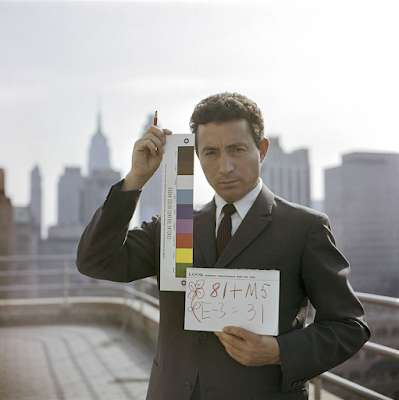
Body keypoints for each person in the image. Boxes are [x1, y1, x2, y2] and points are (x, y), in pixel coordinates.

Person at [77, 92, 370, 399]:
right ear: (197, 156)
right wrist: (135, 179)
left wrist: (278, 351)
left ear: (262, 150)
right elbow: (94, 260)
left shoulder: (304, 228)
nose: (225, 167)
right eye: (211, 153)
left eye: (236, 150)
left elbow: (349, 324)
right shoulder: (176, 225)